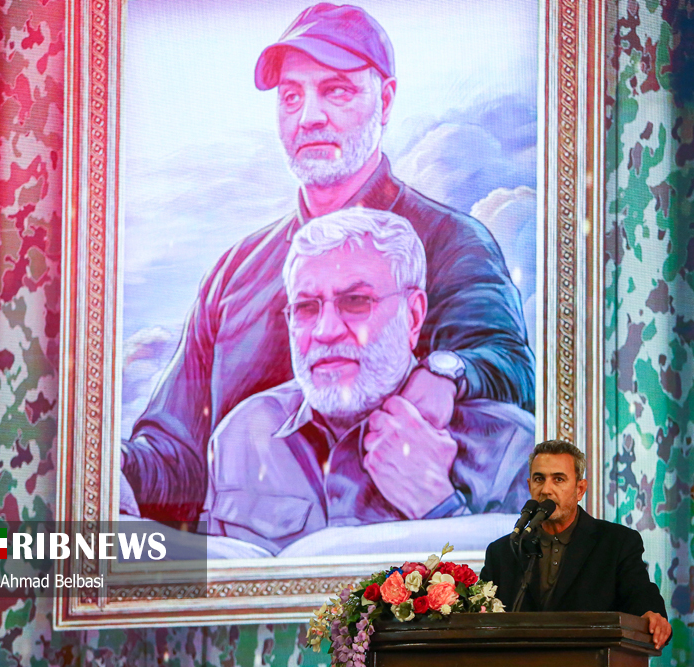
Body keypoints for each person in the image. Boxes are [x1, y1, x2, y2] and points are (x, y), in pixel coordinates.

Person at [120, 3, 535, 522]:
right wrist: (108, 471)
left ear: (385, 101)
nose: (309, 116)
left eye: (336, 91)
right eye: (291, 96)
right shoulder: (234, 275)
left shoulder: (454, 243)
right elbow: (175, 454)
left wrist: (447, 374)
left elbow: (513, 370)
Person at [200, 208, 533, 555]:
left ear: (413, 316)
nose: (326, 331)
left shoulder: (511, 448)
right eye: (306, 308)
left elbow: (538, 584)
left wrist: (440, 508)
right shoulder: (241, 435)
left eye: (356, 302)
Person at [480, 440, 672, 650]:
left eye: (558, 479)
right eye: (539, 479)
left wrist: (651, 614)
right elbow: (478, 617)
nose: (546, 490)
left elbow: (640, 594)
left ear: (580, 489)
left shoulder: (616, 543)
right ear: (529, 486)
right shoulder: (503, 551)